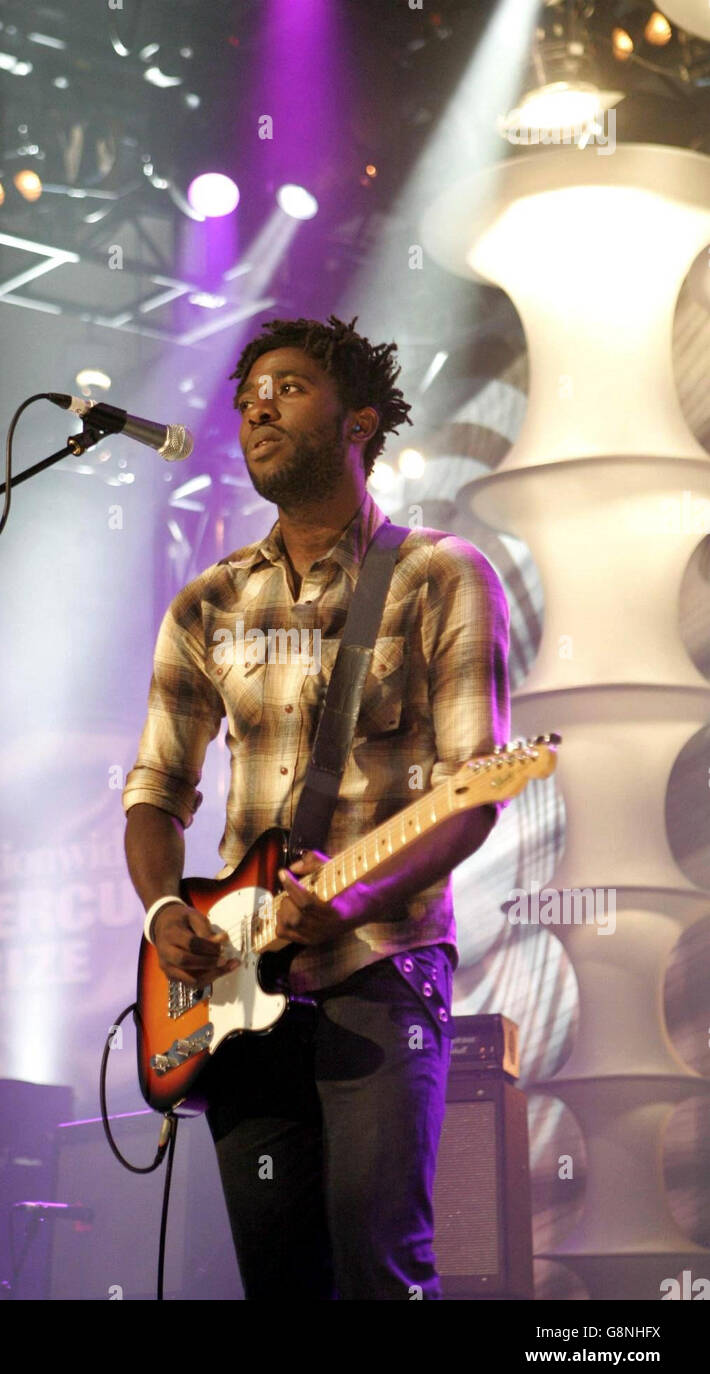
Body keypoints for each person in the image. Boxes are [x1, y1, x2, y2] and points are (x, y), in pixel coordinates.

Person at [123, 314, 510, 1300]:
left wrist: (354, 896)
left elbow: (470, 796)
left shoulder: (438, 576)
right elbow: (155, 793)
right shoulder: (204, 605)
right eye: (249, 393)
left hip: (379, 967)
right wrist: (167, 911)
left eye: (289, 387)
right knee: (278, 1281)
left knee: (379, 1268)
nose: (258, 405)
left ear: (359, 420)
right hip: (235, 997)